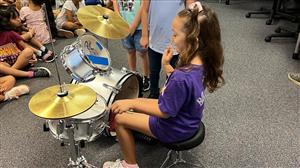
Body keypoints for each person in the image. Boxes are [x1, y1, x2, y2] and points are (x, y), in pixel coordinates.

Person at [103, 3, 225, 168]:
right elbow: (182, 91)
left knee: (119, 119)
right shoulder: (203, 63)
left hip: (174, 127)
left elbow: (164, 111)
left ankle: (129, 165)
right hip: (189, 119)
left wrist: (130, 102)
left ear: (194, 40)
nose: (172, 39)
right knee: (136, 104)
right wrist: (167, 67)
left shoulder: (181, 77)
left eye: (175, 35)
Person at [140, 0, 197, 98]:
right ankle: (153, 93)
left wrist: (189, 38)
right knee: (153, 70)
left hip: (176, 40)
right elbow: (144, 10)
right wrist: (144, 35)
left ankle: (169, 96)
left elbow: (190, 9)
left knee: (172, 73)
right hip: (155, 37)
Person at [0, 5, 51, 78]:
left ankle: (11, 72)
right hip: (5, 63)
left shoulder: (10, 33)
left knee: (28, 51)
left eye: (18, 17)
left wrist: (33, 55)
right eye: (14, 18)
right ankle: (28, 74)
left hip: (17, 61)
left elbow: (24, 46)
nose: (19, 19)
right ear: (5, 22)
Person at [112, 0, 150, 92]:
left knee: (142, 53)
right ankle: (133, 74)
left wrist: (133, 26)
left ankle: (146, 77)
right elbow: (115, 4)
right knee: (130, 51)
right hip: (124, 27)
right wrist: (120, 22)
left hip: (140, 27)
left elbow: (143, 7)